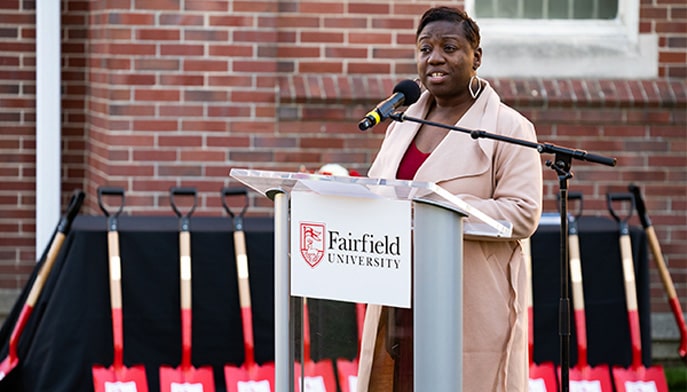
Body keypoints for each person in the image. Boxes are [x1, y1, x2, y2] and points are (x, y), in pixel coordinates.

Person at [356, 6, 543, 392]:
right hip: (399, 302)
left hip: (467, 302)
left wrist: (437, 211)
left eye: (449, 47)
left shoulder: (509, 128)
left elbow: (523, 213)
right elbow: (379, 193)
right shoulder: (402, 123)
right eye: (425, 48)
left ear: (477, 57)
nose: (435, 58)